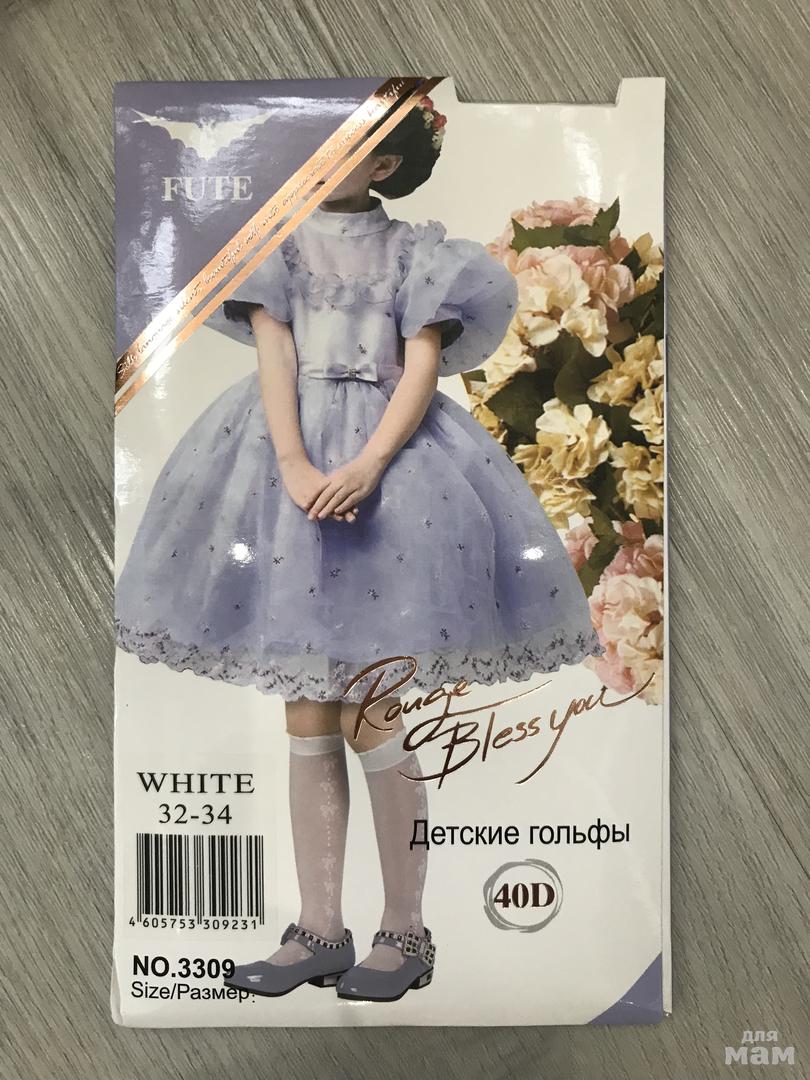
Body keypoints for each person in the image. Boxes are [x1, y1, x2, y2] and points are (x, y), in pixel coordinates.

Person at [115, 98, 602, 1003]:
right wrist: (295, 465)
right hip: (283, 466)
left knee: (373, 710)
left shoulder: (420, 253)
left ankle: (405, 931)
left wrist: (372, 461)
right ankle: (319, 929)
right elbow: (273, 353)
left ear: (384, 167)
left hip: (397, 470)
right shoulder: (275, 247)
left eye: (351, 148)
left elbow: (421, 363)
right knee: (308, 712)